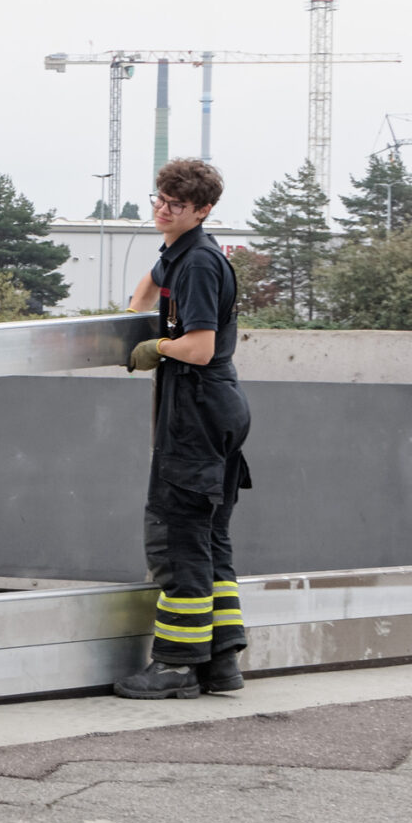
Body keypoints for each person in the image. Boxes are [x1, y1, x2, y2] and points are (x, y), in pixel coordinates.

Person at [113, 158, 252, 700]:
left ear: (203, 210)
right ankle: (220, 662)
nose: (163, 209)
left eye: (176, 205)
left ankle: (174, 664)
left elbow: (199, 346)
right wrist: (134, 313)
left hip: (197, 411)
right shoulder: (184, 252)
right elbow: (150, 283)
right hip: (214, 408)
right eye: (159, 199)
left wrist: (155, 346)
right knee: (210, 535)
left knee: (179, 537)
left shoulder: (197, 264)